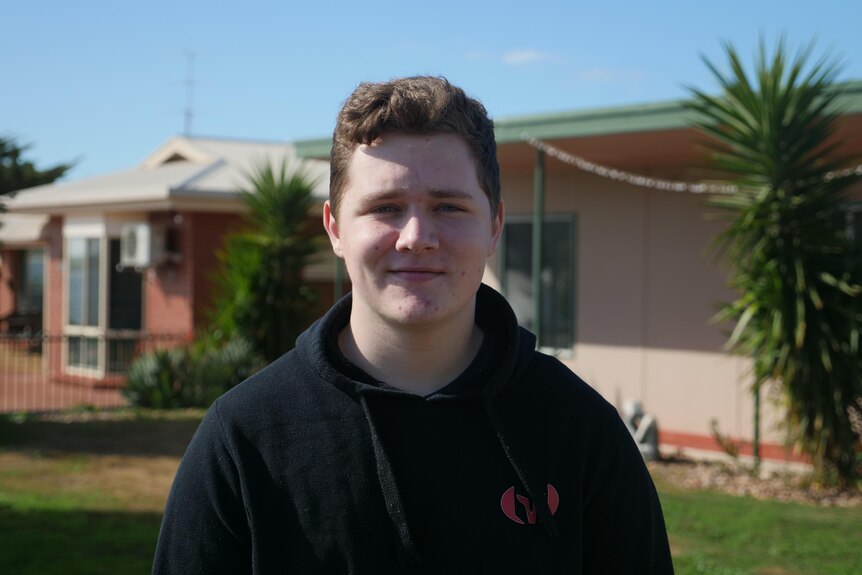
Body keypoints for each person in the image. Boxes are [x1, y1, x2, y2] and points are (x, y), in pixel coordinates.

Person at [152, 76, 674, 573]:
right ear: (335, 229)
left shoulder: (579, 429)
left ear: (493, 225)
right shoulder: (244, 438)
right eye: (385, 207)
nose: (416, 237)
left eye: (448, 206)